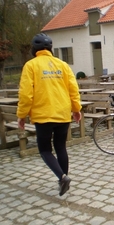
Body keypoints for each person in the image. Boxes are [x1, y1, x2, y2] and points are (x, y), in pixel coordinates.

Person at [17, 33, 82, 196]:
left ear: (34, 49)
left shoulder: (31, 66)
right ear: (50, 49)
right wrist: (76, 109)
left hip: (43, 115)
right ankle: (64, 179)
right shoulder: (63, 65)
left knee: (45, 150)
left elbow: (26, 94)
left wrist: (22, 115)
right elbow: (73, 90)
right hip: (62, 113)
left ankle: (62, 177)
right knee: (60, 147)